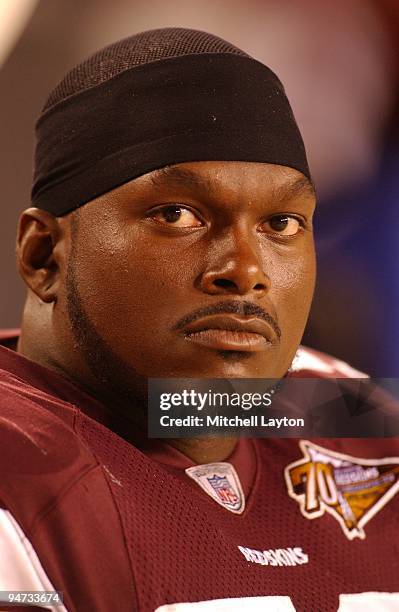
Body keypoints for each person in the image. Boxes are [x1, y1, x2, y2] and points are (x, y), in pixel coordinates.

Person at [0, 28, 398, 612]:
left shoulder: (352, 412)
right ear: (44, 256)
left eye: (281, 224)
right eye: (176, 214)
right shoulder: (20, 474)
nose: (245, 270)